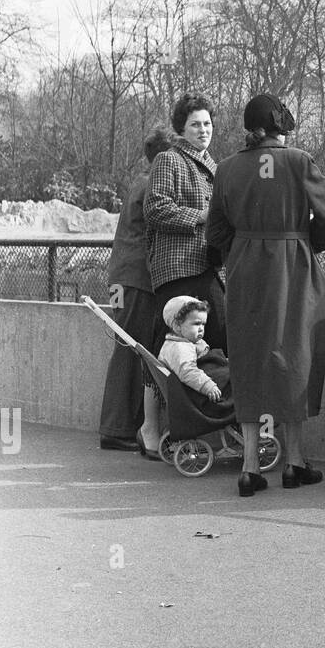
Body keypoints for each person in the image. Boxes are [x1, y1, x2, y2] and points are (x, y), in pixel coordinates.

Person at [205, 93, 325, 498]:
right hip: (295, 269)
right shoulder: (299, 161)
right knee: (296, 358)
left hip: (246, 272)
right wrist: (304, 243)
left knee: (249, 361)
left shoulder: (227, 169)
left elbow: (214, 231)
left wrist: (242, 250)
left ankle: (250, 468)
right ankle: (294, 462)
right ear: (280, 128)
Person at [137, 93, 224, 459]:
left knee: (209, 345)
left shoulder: (216, 167)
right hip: (177, 270)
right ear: (181, 129)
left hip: (206, 268)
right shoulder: (170, 160)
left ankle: (205, 430)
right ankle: (151, 428)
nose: (202, 130)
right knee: (167, 350)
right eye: (195, 124)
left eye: (207, 124)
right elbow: (155, 208)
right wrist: (200, 217)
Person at [97, 126, 172, 450]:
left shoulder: (141, 181)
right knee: (130, 351)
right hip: (135, 279)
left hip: (126, 278)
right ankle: (116, 429)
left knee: (128, 349)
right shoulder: (152, 185)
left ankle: (124, 427)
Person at [158, 295, 232, 406]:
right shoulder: (179, 347)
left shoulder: (188, 342)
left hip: (201, 380)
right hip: (193, 393)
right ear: (177, 326)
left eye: (203, 324)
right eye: (196, 323)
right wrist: (208, 386)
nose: (201, 328)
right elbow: (187, 371)